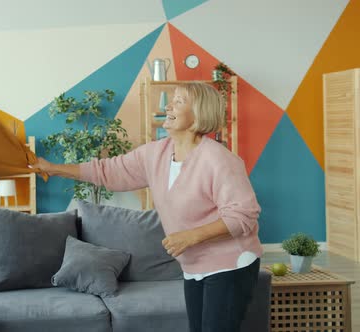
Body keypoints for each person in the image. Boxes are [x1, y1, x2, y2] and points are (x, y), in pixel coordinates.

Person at [32, 82, 262, 332]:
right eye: (171, 99)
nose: (169, 105)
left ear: (199, 113)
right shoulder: (157, 153)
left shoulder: (219, 159)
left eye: (179, 101)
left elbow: (244, 216)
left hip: (230, 263)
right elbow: (106, 170)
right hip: (194, 266)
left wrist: (191, 237)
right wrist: (53, 168)